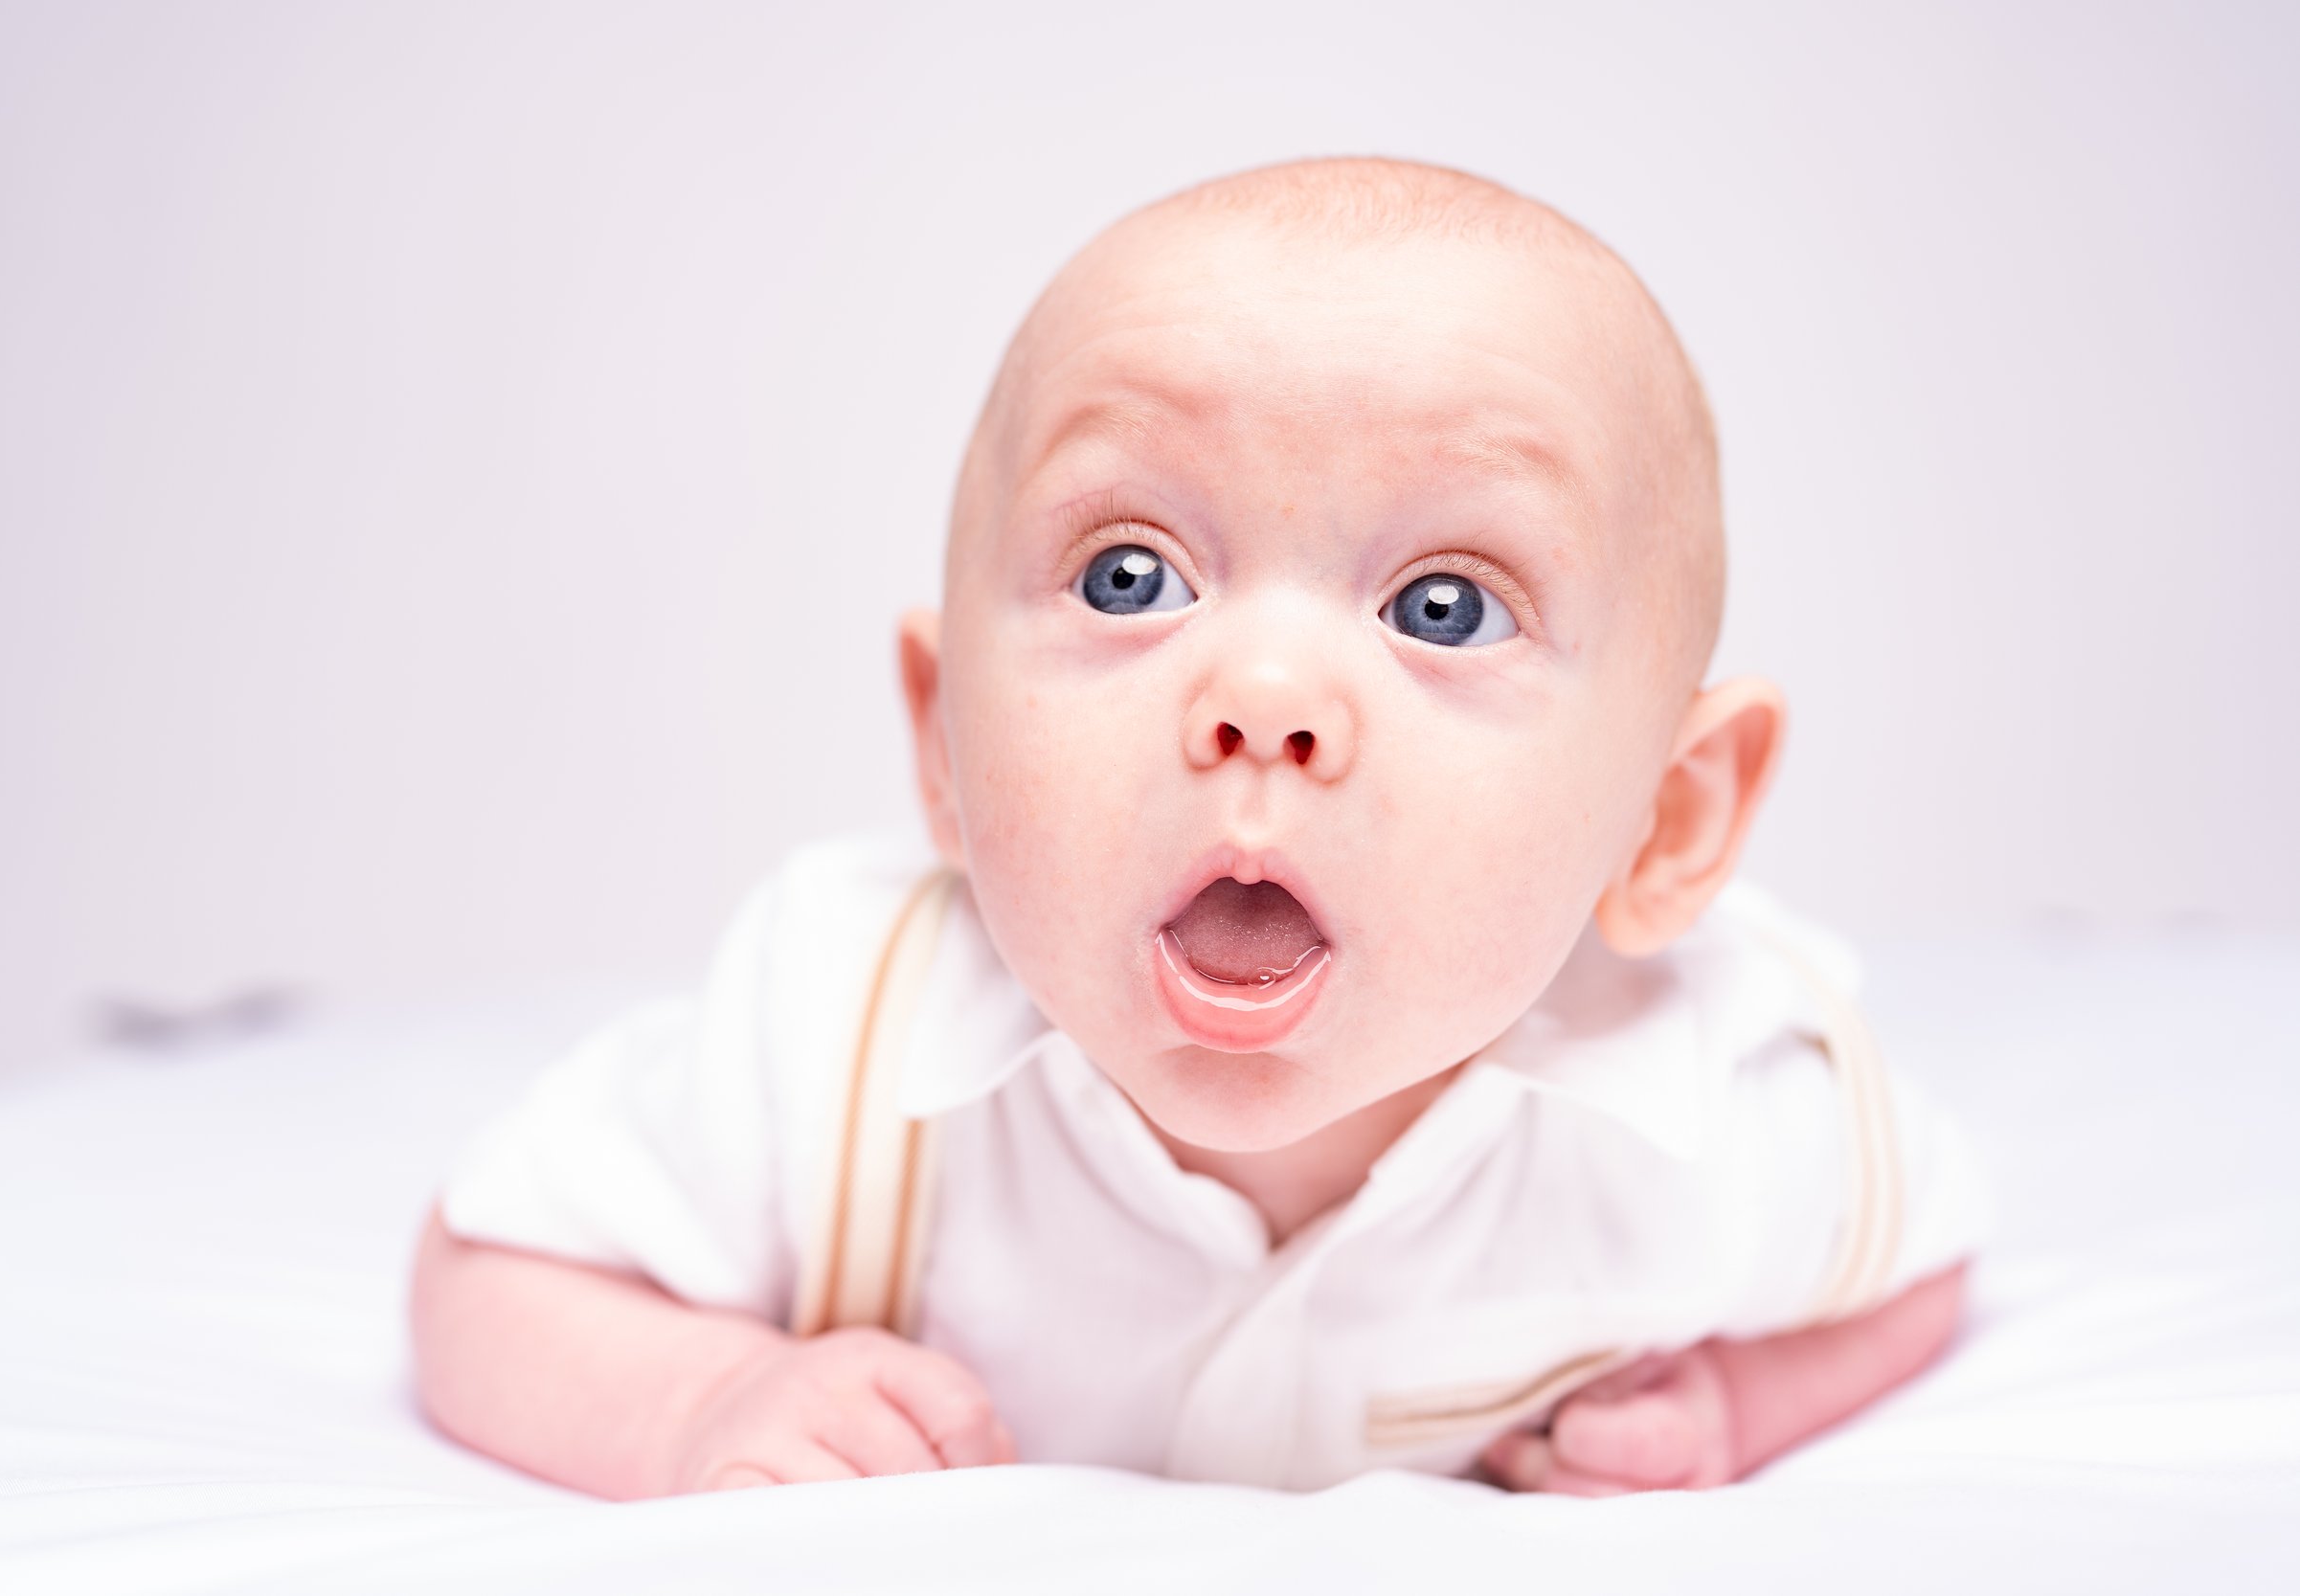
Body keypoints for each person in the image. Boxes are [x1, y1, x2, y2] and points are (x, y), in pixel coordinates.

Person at [409, 157, 1988, 1499]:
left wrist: (1737, 1404)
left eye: (1445, 607)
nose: (1265, 700)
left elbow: (1925, 1271)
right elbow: (485, 1268)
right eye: (1130, 577)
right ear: (944, 742)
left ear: (1667, 821)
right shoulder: (839, 1037)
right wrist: (697, 1402)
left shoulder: (1702, 1112)